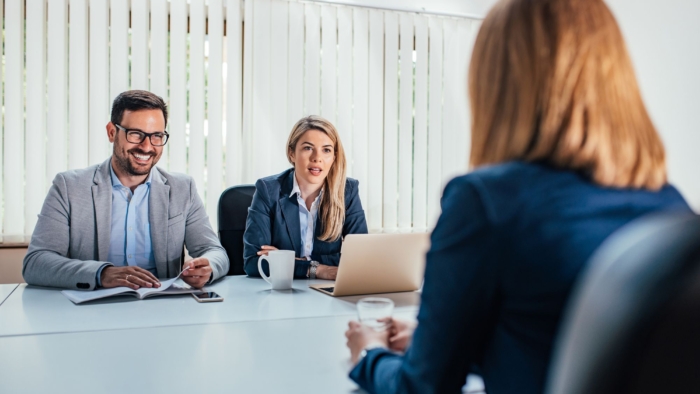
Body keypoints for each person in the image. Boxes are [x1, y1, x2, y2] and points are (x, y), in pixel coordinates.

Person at [344, 0, 692, 393]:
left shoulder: (486, 203)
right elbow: (568, 347)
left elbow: (421, 387)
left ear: (496, 85)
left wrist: (370, 355)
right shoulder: (670, 206)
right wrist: (443, 341)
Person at [23, 90, 229, 290]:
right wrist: (101, 273)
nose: (147, 146)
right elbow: (36, 263)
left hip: (162, 309)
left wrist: (207, 267)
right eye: (136, 134)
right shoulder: (69, 187)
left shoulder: (183, 188)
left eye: (157, 136)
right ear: (112, 132)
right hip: (91, 310)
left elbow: (214, 251)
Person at [243, 115, 368, 280]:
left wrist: (285, 261)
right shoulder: (268, 190)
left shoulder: (348, 191)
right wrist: (317, 269)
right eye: (308, 148)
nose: (317, 157)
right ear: (292, 153)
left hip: (328, 292)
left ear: (334, 157)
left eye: (326, 150)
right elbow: (253, 262)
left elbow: (361, 260)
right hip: (282, 292)